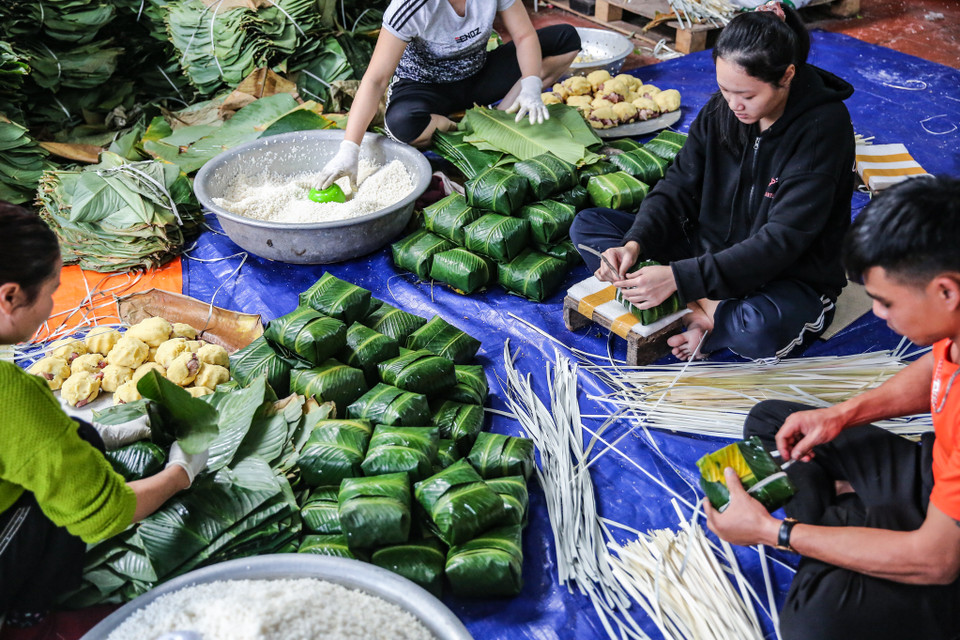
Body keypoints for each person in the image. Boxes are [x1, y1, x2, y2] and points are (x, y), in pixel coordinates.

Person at [705, 176, 960, 640]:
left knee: (812, 625)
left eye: (884, 302)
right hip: (935, 476)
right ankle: (854, 525)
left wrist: (773, 533)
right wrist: (842, 414)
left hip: (945, 551)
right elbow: (937, 367)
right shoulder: (955, 317)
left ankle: (851, 527)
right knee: (776, 423)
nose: (879, 315)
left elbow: (938, 560)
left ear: (946, 291)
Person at [570, 2, 854, 361]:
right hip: (708, 251)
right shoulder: (722, 110)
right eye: (725, 90)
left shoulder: (821, 130)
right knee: (590, 225)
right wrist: (634, 245)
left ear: (787, 76)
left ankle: (701, 310)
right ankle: (702, 309)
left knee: (758, 329)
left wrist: (679, 279)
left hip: (785, 274)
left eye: (748, 95)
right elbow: (677, 185)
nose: (734, 105)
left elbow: (780, 242)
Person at [0, 203, 208, 627]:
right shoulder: (13, 396)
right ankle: (23, 610)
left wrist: (88, 433)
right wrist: (180, 473)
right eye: (53, 289)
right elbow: (104, 514)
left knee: (79, 436)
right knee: (59, 511)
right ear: (9, 296)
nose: (55, 302)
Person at [317, 0, 581, 189]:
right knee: (401, 125)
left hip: (478, 74)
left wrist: (533, 84)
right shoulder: (410, 6)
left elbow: (524, 36)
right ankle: (456, 125)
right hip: (426, 87)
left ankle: (500, 118)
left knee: (566, 38)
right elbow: (375, 80)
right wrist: (349, 148)